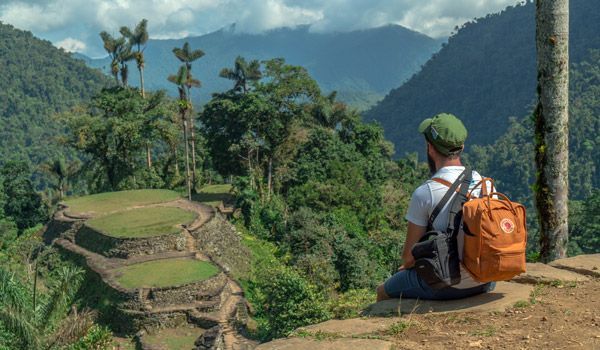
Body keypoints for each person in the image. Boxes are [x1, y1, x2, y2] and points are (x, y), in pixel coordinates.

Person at [376, 113, 495, 301]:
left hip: (445, 283)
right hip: (485, 279)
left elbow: (408, 258)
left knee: (383, 290)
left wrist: (410, 266)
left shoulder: (425, 193)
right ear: (461, 148)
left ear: (430, 148)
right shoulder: (485, 184)